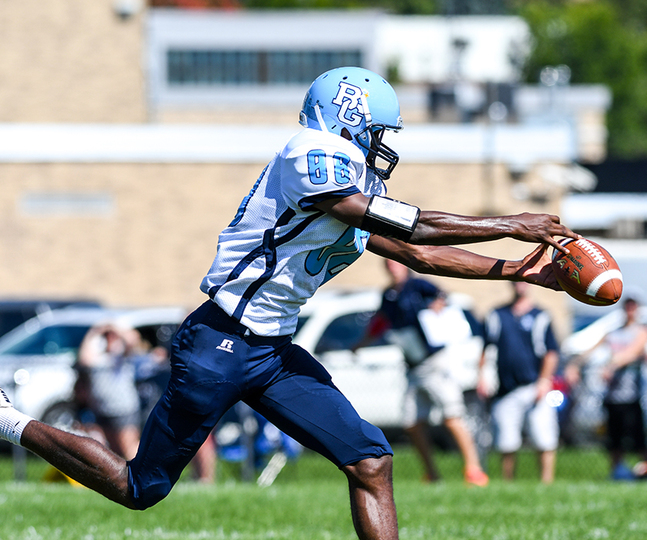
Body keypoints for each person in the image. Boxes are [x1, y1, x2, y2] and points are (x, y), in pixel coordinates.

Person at [0, 66, 577, 540]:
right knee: (140, 487)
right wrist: (509, 223)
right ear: (350, 118)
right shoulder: (310, 153)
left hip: (273, 352)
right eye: (379, 130)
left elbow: (415, 253)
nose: (384, 144)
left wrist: (522, 271)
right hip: (219, 342)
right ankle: (9, 420)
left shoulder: (352, 179)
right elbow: (407, 224)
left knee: (371, 460)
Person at [360, 259, 488, 486]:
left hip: (435, 362)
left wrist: (438, 304)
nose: (392, 267)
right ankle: (431, 473)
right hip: (413, 366)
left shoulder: (417, 285)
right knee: (411, 422)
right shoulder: (388, 295)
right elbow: (381, 322)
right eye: (388, 264)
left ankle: (473, 469)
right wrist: (361, 343)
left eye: (395, 263)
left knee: (452, 416)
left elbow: (442, 296)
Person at [477, 281, 560, 484]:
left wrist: (543, 381)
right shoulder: (497, 315)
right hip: (505, 389)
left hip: (533, 386)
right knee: (506, 441)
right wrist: (482, 377)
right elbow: (485, 348)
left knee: (544, 438)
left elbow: (551, 352)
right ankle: (508, 483)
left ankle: (547, 482)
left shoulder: (541, 315)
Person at [565, 296, 647, 478]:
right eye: (627, 306)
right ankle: (617, 473)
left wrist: (611, 366)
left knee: (639, 439)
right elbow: (590, 351)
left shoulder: (643, 331)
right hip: (613, 395)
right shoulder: (613, 333)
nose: (630, 310)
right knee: (615, 439)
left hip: (633, 395)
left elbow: (631, 353)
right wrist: (573, 365)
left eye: (633, 306)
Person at [75, 322, 145, 460]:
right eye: (107, 336)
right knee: (113, 451)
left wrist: (114, 328)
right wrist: (95, 331)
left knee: (128, 447)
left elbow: (133, 341)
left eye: (112, 336)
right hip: (102, 409)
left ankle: (142, 471)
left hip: (123, 410)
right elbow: (83, 359)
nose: (110, 338)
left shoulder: (123, 355)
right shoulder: (98, 356)